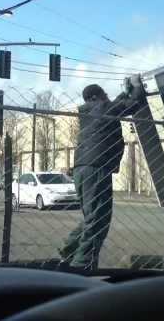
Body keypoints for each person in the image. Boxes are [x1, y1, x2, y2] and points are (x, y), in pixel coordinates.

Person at [59, 81, 145, 271]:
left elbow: (116, 105)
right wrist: (138, 87)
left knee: (92, 216)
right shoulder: (103, 108)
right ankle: (82, 266)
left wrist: (125, 92)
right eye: (104, 94)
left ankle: (70, 249)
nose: (107, 96)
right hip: (96, 170)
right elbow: (132, 105)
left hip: (82, 170)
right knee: (99, 220)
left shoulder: (91, 112)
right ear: (96, 97)